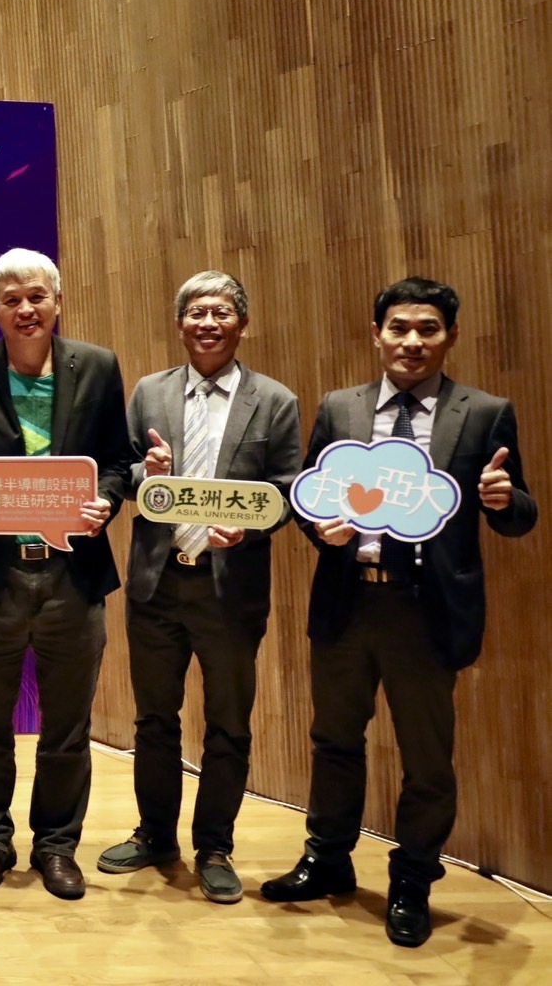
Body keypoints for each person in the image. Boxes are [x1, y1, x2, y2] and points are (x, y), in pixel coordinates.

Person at [260, 277, 536, 947]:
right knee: (332, 741)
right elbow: (310, 496)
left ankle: (412, 880)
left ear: (449, 337)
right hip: (347, 601)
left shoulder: (482, 412)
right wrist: (313, 526)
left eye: (427, 329)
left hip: (425, 610)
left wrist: (502, 500)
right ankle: (326, 861)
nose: (411, 341)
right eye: (398, 328)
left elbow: (520, 514)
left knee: (426, 759)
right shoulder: (340, 408)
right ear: (375, 334)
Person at [94, 271, 302, 903]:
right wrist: (142, 471)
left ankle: (215, 845)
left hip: (230, 588)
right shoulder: (150, 393)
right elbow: (122, 474)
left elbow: (291, 491)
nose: (207, 324)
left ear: (242, 323)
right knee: (154, 719)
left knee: (228, 723)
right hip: (157, 583)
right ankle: (156, 834)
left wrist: (249, 527)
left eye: (220, 312)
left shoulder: (276, 401)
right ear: (179, 323)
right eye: (196, 313)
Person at [0, 247, 130, 900]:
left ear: (56, 302)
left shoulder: (97, 368)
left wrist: (107, 495)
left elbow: (116, 459)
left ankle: (56, 847)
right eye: (11, 299)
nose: (25, 309)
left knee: (67, 726)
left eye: (36, 296)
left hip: (71, 579)